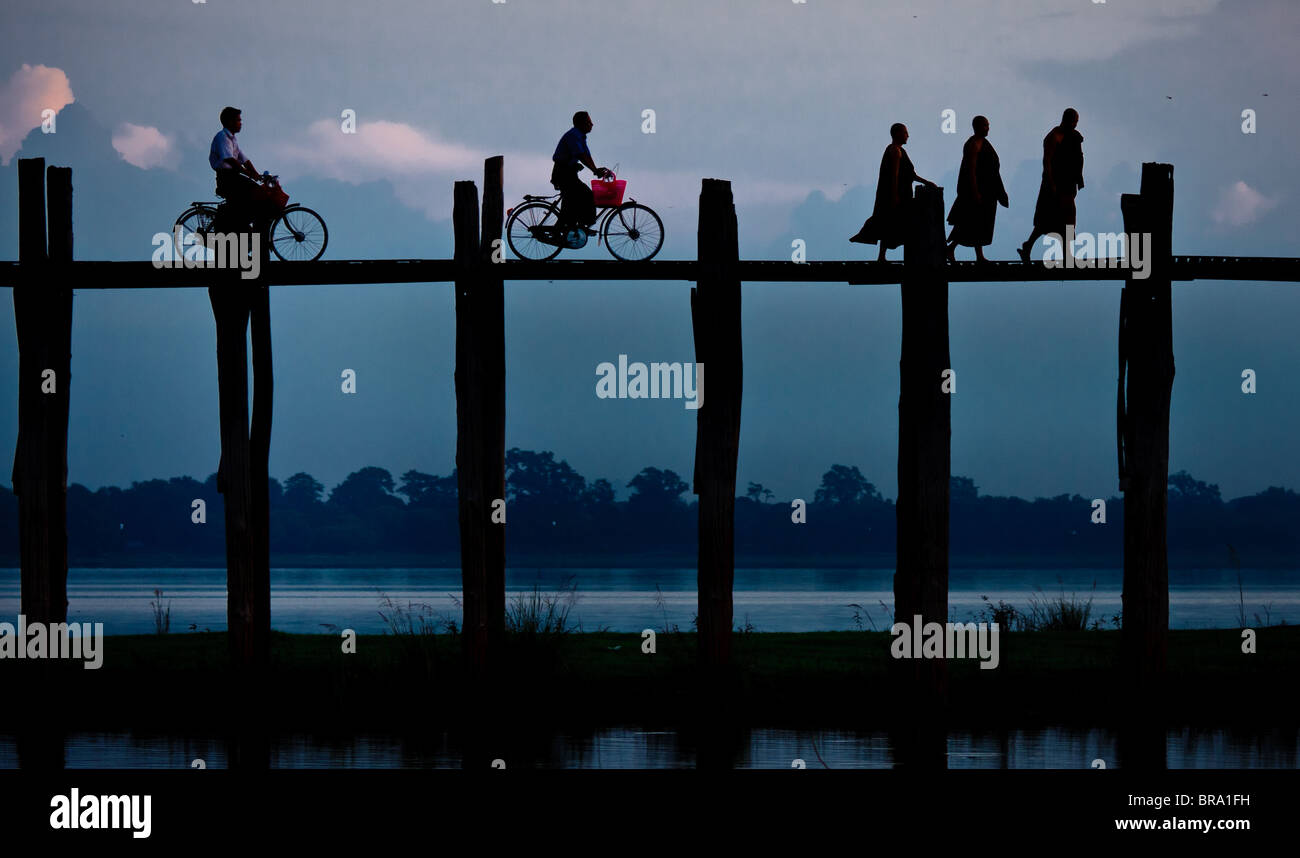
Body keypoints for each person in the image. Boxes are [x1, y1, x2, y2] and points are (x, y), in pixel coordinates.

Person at [850, 123, 937, 261]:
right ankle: (886, 255)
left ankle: (882, 256)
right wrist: (894, 195)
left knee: (890, 223)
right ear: (897, 134)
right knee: (892, 222)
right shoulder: (895, 151)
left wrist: (927, 182)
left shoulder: (900, 151)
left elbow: (911, 175)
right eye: (905, 132)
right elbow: (894, 175)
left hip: (902, 194)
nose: (907, 135)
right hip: (897, 195)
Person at [1018, 108, 1084, 262]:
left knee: (1067, 221)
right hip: (1054, 184)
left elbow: (1078, 158)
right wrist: (1051, 183)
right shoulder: (1053, 137)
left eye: (1076, 122)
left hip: (1068, 184)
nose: (1075, 125)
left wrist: (1078, 179)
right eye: (1074, 122)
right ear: (1066, 120)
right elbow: (1046, 162)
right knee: (1046, 220)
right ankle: (1028, 246)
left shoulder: (1074, 136)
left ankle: (1065, 255)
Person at [946, 116, 1008, 263]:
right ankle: (951, 248)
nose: (988, 128)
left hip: (988, 190)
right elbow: (971, 170)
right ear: (978, 127)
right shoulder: (973, 144)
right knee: (969, 221)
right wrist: (975, 191)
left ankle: (979, 255)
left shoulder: (984, 143)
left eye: (988, 125)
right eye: (986, 125)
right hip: (976, 190)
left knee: (981, 223)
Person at [209, 106, 275, 231]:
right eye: (238, 120)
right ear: (230, 122)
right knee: (254, 192)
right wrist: (249, 174)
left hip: (233, 177)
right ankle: (243, 226)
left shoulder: (233, 139)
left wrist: (256, 174)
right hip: (227, 178)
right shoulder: (222, 137)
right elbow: (230, 160)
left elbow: (243, 159)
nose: (241, 123)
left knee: (255, 193)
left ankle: (245, 225)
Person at [551, 111, 612, 235]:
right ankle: (580, 225)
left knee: (571, 202)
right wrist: (595, 170)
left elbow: (587, 156)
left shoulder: (580, 136)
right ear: (582, 123)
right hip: (563, 173)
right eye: (589, 122)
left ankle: (567, 227)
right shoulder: (573, 135)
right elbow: (581, 155)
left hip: (568, 173)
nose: (592, 124)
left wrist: (596, 170)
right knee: (586, 194)